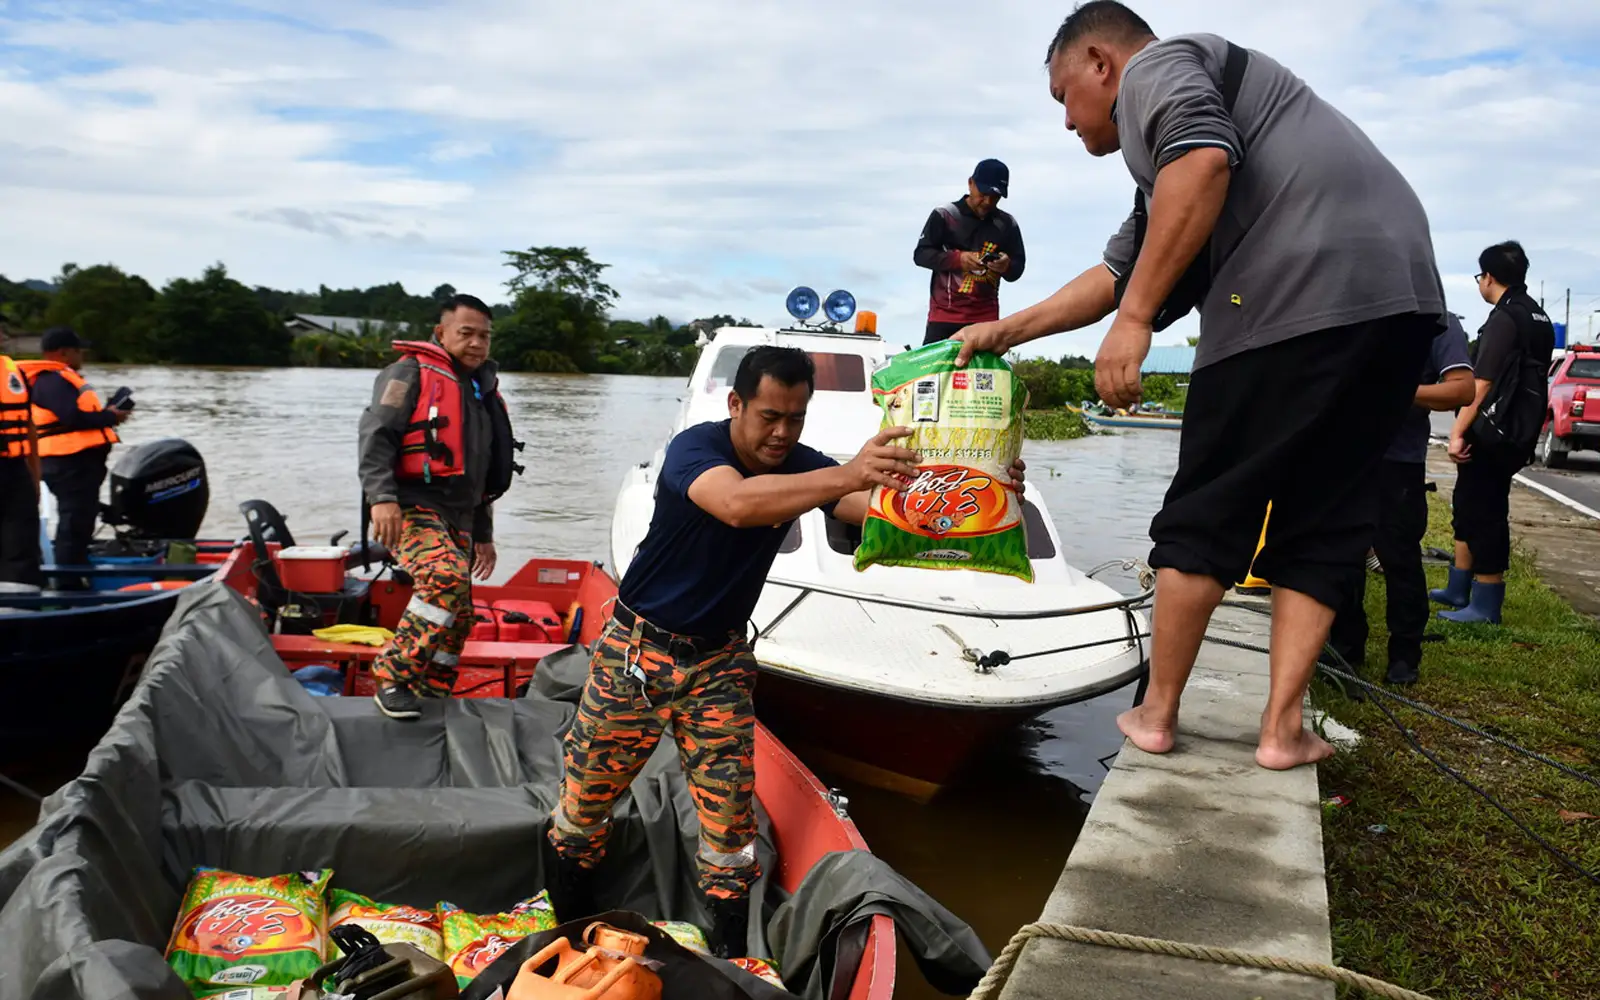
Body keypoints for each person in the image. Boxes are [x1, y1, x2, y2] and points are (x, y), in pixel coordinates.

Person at [951, 1, 1446, 769]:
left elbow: (1203, 163)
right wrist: (1005, 330)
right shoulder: (1166, 175)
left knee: (1206, 512)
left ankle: (1156, 712)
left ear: (1098, 64)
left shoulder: (1156, 70)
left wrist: (1139, 320)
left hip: (1291, 290)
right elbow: (1117, 273)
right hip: (1399, 302)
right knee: (1326, 520)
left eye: (1062, 99)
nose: (1067, 122)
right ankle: (1280, 731)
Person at [543, 345, 1025, 957]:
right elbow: (738, 505)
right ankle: (567, 940)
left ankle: (731, 963)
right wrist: (852, 472)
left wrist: (985, 496)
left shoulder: (801, 464)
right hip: (637, 657)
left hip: (718, 665)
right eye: (769, 415)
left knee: (731, 835)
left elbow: (878, 510)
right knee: (582, 814)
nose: (781, 432)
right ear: (736, 404)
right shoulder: (697, 448)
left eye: (795, 418)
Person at [358, 293, 519, 719]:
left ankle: (434, 688)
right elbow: (376, 436)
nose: (477, 343)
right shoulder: (408, 374)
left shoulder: (483, 392)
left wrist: (483, 534)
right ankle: (392, 676)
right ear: (441, 332)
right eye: (466, 333)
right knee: (443, 580)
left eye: (485, 336)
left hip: (460, 517)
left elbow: (481, 473)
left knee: (461, 616)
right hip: (410, 505)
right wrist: (382, 499)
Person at [1328, 312, 1474, 684]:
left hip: (1398, 462)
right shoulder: (1352, 307)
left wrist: (1397, 393)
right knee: (1342, 557)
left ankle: (1405, 655)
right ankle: (1344, 654)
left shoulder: (1437, 320)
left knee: (1399, 559)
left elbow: (1462, 389)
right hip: (1342, 457)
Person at [1430, 242, 1555, 625]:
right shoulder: (1538, 316)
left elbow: (1480, 384)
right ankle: (1459, 586)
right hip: (1518, 426)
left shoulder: (1504, 319)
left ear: (1488, 277)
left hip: (1493, 428)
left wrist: (1457, 432)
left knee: (1484, 510)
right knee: (1469, 502)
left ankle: (1485, 602)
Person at [19, 327, 130, 585]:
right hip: (68, 463)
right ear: (64, 353)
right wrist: (111, 416)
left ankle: (74, 568)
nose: (82, 356)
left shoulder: (55, 379)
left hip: (72, 462)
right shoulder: (52, 380)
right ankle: (67, 583)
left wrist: (107, 415)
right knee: (74, 522)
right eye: (79, 351)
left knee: (80, 518)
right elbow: (70, 418)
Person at [914, 158, 1027, 346]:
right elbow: (921, 255)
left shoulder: (1007, 224)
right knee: (935, 374)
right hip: (944, 316)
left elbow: (1017, 269)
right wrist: (959, 259)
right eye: (983, 193)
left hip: (986, 319)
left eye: (995, 196)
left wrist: (1006, 266)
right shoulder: (945, 214)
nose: (988, 201)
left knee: (984, 375)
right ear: (970, 183)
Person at [0, 343, 43, 587]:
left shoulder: (12, 371)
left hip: (15, 469)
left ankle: (21, 607)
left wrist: (35, 476)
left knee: (22, 541)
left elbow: (28, 427)